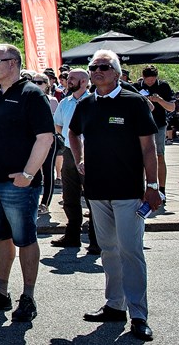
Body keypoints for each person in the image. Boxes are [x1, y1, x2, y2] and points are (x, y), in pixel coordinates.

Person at [69, 50, 160, 342]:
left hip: (129, 190)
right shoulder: (86, 104)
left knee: (130, 251)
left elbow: (149, 148)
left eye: (104, 67)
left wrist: (153, 186)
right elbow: (72, 133)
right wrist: (79, 156)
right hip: (96, 190)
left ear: (117, 73)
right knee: (107, 249)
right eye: (93, 67)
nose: (96, 71)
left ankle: (139, 314)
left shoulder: (134, 102)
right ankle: (114, 305)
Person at [0, 44, 55, 322]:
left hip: (19, 185)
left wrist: (28, 175)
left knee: (25, 239)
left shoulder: (32, 94)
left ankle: (28, 297)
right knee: (0, 238)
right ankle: (1, 291)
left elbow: (46, 138)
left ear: (13, 63)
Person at [51, 68, 98, 252]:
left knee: (93, 196)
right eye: (68, 78)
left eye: (73, 79)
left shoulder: (93, 101)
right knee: (69, 195)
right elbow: (58, 124)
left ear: (84, 82)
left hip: (91, 153)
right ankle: (72, 235)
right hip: (70, 152)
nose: (68, 81)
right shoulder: (65, 102)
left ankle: (96, 239)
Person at [136, 66, 173, 205]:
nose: (150, 82)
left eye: (152, 80)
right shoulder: (136, 86)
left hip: (158, 125)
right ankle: (142, 189)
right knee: (140, 158)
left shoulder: (163, 86)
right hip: (140, 126)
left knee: (159, 155)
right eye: (147, 80)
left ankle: (162, 189)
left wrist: (160, 100)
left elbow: (172, 107)